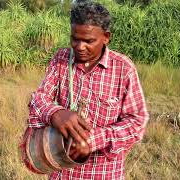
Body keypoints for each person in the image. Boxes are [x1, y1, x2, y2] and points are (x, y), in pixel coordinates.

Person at [20, 1, 149, 179]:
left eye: (89, 41)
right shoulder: (61, 59)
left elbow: (137, 123)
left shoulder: (123, 69)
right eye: (75, 38)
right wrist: (55, 113)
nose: (80, 47)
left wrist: (92, 141)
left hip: (102, 173)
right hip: (61, 172)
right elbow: (38, 98)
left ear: (106, 37)